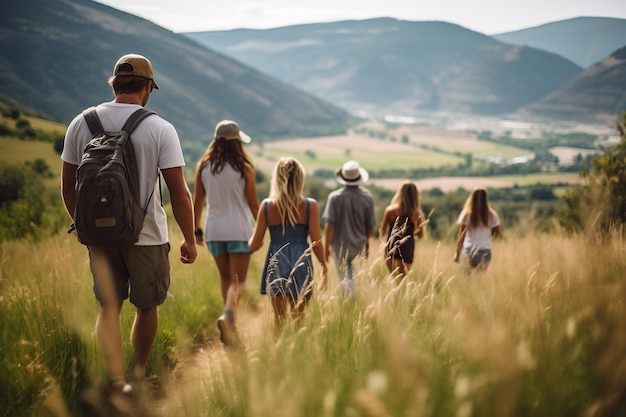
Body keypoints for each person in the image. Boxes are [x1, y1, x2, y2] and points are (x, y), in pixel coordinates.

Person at [61, 54, 197, 394]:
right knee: (147, 305)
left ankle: (115, 380)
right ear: (148, 87)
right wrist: (190, 239)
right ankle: (137, 375)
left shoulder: (81, 123)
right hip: (147, 235)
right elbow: (180, 194)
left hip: (99, 238)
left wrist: (86, 228)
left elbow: (67, 187)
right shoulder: (160, 128)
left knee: (109, 307)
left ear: (114, 84)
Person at [193, 120, 259, 347]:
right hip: (240, 231)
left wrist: (196, 229)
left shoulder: (203, 167)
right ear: (237, 142)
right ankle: (228, 315)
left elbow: (197, 202)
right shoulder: (244, 168)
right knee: (238, 282)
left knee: (226, 278)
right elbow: (253, 205)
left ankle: (231, 325)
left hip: (214, 231)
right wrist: (263, 227)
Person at [248, 157, 327, 330]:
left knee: (279, 321)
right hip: (301, 264)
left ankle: (278, 355)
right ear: (300, 179)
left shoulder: (267, 206)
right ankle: (298, 355)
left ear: (276, 179)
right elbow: (316, 242)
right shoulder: (309, 206)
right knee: (299, 320)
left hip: (276, 263)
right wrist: (324, 266)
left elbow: (254, 244)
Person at [322, 160, 376, 298]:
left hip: (339, 245)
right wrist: (367, 241)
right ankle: (353, 305)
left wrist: (326, 247)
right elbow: (370, 226)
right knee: (356, 278)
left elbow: (329, 226)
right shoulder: (367, 198)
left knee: (343, 277)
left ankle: (348, 304)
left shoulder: (334, 198)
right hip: (359, 244)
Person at [379, 181, 425, 278]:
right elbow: (421, 235)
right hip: (407, 247)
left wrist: (394, 232)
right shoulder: (416, 214)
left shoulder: (390, 210)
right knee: (403, 278)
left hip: (391, 246)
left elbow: (382, 231)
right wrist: (410, 233)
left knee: (392, 277)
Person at [453, 187, 501, 273]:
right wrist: (487, 237)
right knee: (480, 279)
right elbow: (497, 232)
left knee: (466, 278)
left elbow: (461, 235)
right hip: (485, 250)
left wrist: (457, 253)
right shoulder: (492, 215)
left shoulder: (466, 215)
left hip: (469, 250)